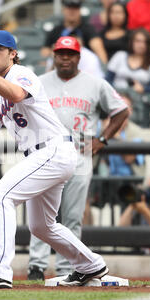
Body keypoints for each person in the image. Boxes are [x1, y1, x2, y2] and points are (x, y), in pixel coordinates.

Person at [0, 30, 110, 288]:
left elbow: (16, 95)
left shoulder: (21, 73)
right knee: (42, 227)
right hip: (43, 155)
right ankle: (90, 265)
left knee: (0, 196)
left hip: (52, 149)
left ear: (13, 54)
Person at [27, 36, 129, 280]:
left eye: (70, 53)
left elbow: (121, 110)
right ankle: (36, 266)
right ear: (54, 55)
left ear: (78, 57)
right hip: (45, 155)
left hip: (79, 156)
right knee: (40, 217)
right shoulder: (38, 83)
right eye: (61, 53)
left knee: (72, 216)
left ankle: (66, 267)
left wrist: (102, 139)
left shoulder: (95, 83)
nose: (65, 57)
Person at [41, 0, 108, 65]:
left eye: (75, 8)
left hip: (84, 67)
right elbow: (44, 55)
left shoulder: (88, 29)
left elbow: (99, 50)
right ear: (64, 10)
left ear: (79, 11)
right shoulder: (55, 30)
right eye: (69, 8)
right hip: (60, 68)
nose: (72, 12)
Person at [106, 28, 150, 94]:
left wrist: (144, 89)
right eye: (137, 41)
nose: (141, 45)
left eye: (144, 42)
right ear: (131, 42)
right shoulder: (120, 56)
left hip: (139, 98)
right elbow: (108, 78)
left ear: (149, 45)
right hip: (116, 95)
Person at [107, 93, 144, 177]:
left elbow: (129, 158)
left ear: (130, 111)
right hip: (104, 180)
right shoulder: (101, 127)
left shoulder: (136, 132)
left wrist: (116, 136)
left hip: (129, 180)